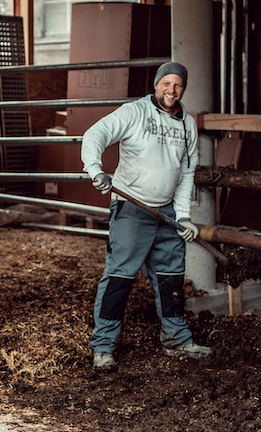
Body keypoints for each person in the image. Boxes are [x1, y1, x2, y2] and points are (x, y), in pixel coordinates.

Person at [81, 61, 213, 371]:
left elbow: (186, 172)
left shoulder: (187, 124)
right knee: (119, 278)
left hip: (166, 213)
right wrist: (95, 169)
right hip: (133, 208)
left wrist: (183, 216)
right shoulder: (134, 112)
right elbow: (95, 134)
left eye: (178, 84)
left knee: (171, 278)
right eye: (166, 83)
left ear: (184, 88)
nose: (172, 89)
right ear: (156, 85)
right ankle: (103, 346)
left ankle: (177, 340)